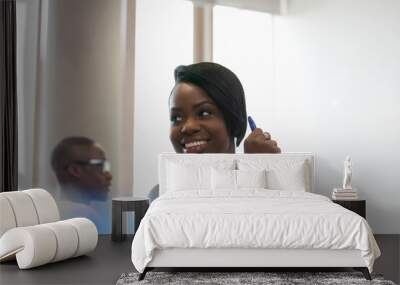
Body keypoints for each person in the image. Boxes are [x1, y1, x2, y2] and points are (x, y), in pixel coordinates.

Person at [149, 62, 281, 202]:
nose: (188, 127)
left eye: (204, 113)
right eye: (177, 117)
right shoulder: (160, 197)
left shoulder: (278, 189)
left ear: (234, 121)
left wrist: (257, 167)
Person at [51, 136, 112, 233]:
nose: (109, 175)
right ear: (75, 170)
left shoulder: (49, 212)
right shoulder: (86, 217)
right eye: (101, 166)